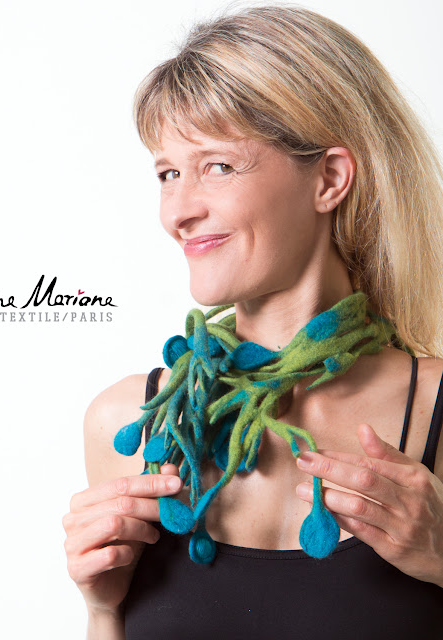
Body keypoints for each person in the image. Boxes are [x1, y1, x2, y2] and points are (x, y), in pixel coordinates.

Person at [62, 4, 443, 638]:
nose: (177, 212)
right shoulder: (129, 424)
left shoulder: (435, 408)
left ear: (329, 178)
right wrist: (102, 610)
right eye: (168, 173)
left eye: (217, 166)